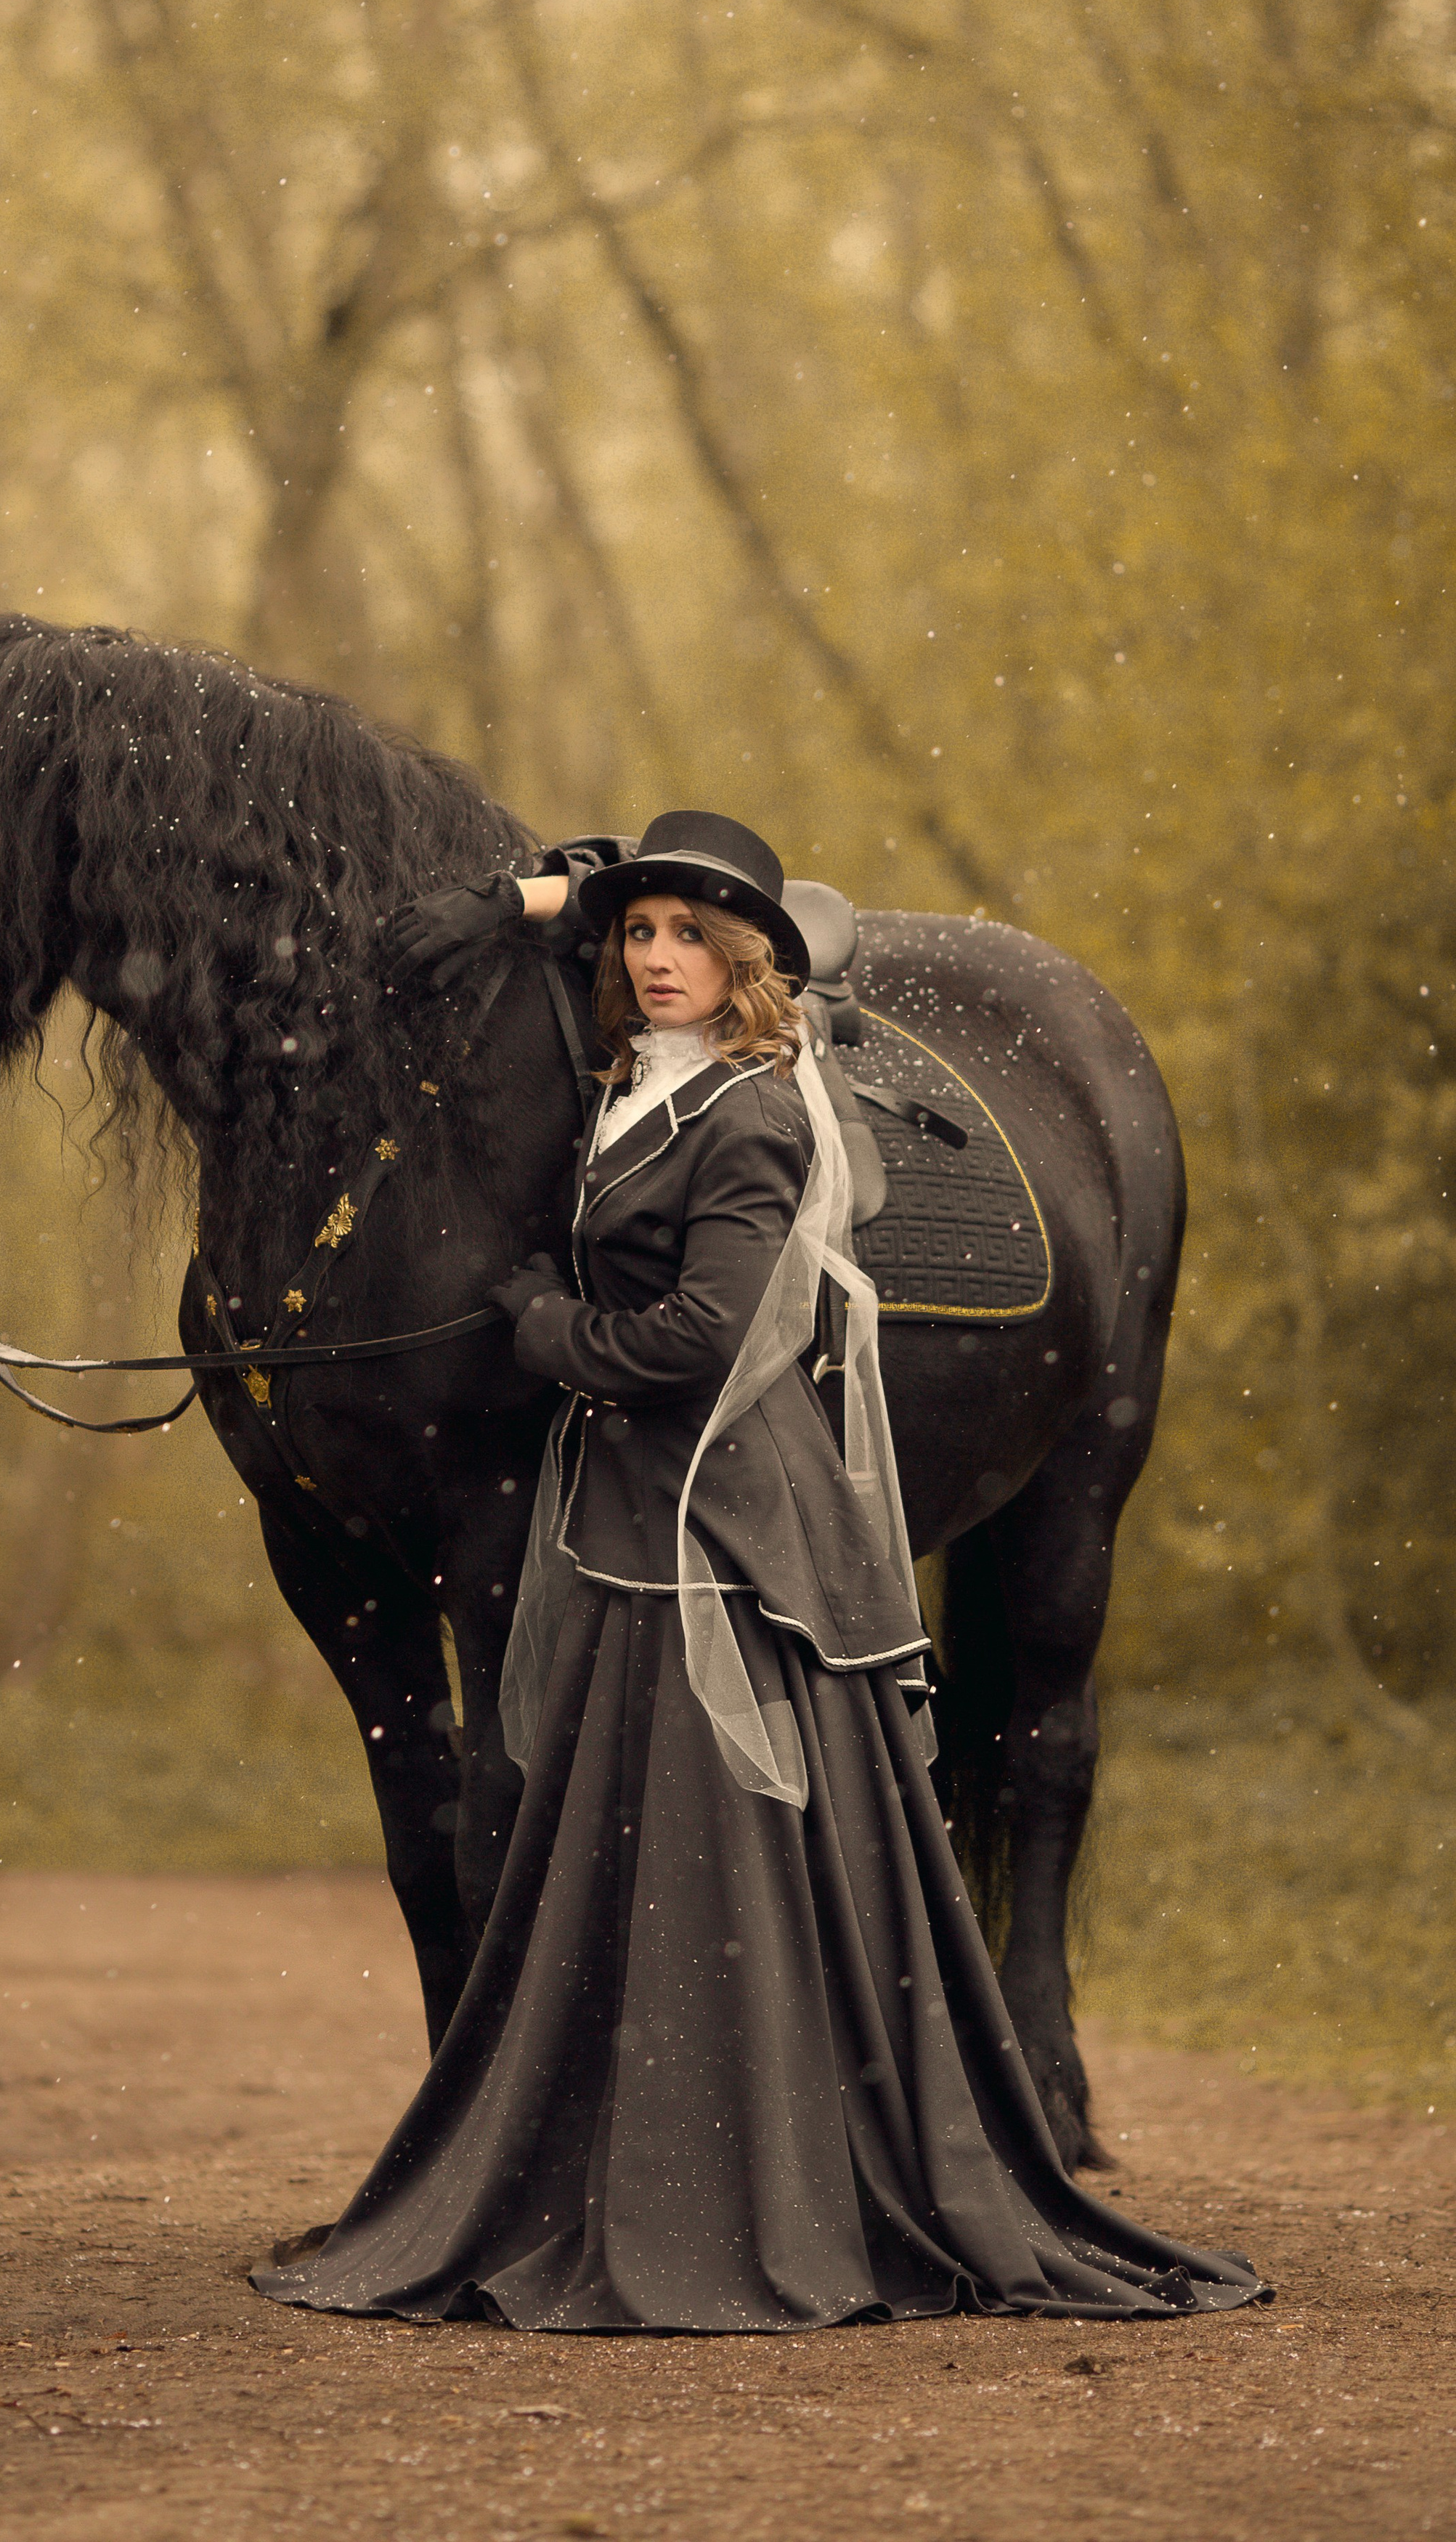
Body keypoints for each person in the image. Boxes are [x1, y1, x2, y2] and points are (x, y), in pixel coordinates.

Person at [256, 813, 1267, 2334]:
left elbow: (698, 1340)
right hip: (631, 1522)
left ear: (746, 968)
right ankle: (630, 2160)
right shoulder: (632, 1093)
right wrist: (548, 888)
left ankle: (772, 2185)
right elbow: (448, 953)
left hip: (721, 1521)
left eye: (688, 938)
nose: (655, 961)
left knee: (724, 1851)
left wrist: (542, 1332)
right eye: (637, 935)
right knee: (629, 1841)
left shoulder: (746, 1118)